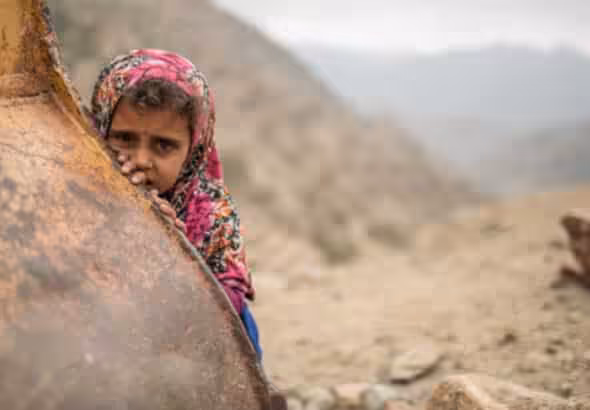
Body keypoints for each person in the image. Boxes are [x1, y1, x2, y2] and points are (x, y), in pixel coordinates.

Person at [90, 49, 263, 358]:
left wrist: (171, 249)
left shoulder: (211, 211)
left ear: (193, 151)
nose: (141, 160)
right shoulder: (79, 190)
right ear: (100, 130)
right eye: (124, 139)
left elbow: (229, 300)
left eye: (164, 145)